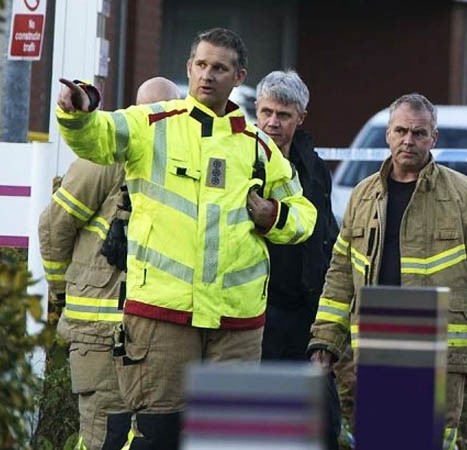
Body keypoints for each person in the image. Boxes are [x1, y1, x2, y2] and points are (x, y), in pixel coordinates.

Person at [55, 28, 317, 449]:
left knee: (226, 441)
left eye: (220, 68)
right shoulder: (150, 125)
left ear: (239, 76)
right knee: (157, 437)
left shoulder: (259, 147)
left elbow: (305, 217)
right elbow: (97, 137)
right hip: (162, 318)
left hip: (236, 324)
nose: (207, 75)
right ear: (188, 69)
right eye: (200, 65)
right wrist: (78, 113)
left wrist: (274, 216)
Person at [308, 93, 467, 448]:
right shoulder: (363, 196)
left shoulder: (461, 194)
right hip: (377, 348)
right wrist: (326, 341)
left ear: (433, 138)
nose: (409, 140)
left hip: (439, 353)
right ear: (388, 134)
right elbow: (340, 276)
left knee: (433, 442)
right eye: (401, 131)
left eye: (419, 133)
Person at [39, 77, 181, 450]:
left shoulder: (177, 162)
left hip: (149, 332)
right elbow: (53, 226)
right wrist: (62, 293)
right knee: (107, 435)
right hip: (100, 331)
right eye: (153, 114)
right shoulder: (107, 157)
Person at [255, 69, 342, 449]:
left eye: (283, 115)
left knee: (323, 424)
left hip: (306, 313)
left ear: (301, 117)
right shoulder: (244, 159)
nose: (273, 122)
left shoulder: (314, 167)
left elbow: (327, 233)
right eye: (267, 112)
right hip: (257, 311)